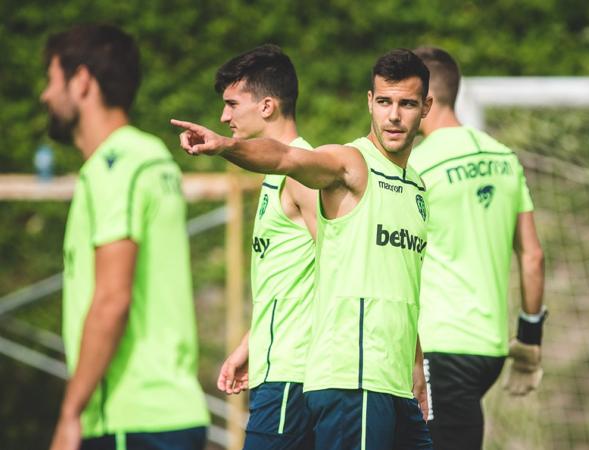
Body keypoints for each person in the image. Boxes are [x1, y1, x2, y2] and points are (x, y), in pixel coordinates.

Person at [172, 48, 433, 450]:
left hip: (370, 377)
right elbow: (286, 157)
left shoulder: (416, 186)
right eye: (384, 102)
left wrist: (416, 365)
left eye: (407, 104)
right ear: (370, 102)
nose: (394, 115)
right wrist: (225, 146)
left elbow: (392, 281)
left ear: (425, 107)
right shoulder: (346, 165)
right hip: (351, 377)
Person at [40, 24, 208, 450]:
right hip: (164, 416)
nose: (45, 95)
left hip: (131, 420)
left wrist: (69, 413)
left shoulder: (118, 164)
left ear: (81, 82)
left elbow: (112, 299)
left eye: (51, 79)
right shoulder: (149, 160)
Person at [409, 46, 546, 450]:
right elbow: (533, 256)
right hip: (489, 348)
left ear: (425, 98)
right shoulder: (506, 158)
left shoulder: (416, 167)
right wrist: (530, 338)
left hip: (438, 348)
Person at [211, 44, 317, 449]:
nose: (224, 116)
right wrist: (250, 345)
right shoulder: (279, 173)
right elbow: (288, 282)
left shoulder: (303, 171)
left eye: (232, 104)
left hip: (294, 375)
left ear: (268, 106)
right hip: (279, 368)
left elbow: (341, 264)